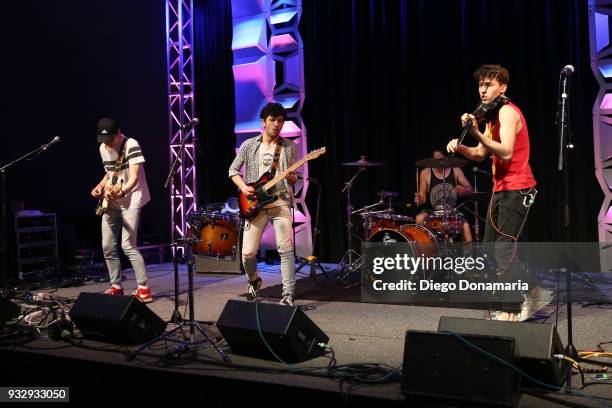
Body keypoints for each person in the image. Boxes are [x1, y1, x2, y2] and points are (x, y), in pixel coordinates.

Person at [447, 64, 544, 321]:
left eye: (489, 84)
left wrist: (476, 131)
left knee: (504, 250)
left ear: (502, 87)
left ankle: (510, 309)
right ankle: (534, 289)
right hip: (500, 188)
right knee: (492, 248)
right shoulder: (490, 117)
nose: (483, 89)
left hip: (519, 187)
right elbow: (481, 153)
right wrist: (462, 149)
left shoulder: (508, 113)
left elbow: (507, 151)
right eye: (481, 85)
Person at [228, 103, 298, 306]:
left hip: (280, 202)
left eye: (280, 121)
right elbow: (233, 170)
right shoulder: (249, 145)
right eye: (273, 120)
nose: (277, 125)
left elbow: (291, 178)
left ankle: (288, 294)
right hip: (255, 203)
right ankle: (254, 280)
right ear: (263, 122)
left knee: (285, 249)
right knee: (248, 253)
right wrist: (243, 187)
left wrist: (292, 179)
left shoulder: (289, 147)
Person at [90, 117, 152, 302]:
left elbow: (134, 176)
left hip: (132, 199)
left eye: (110, 139)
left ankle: (144, 289)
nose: (107, 144)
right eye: (104, 141)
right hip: (111, 201)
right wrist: (100, 186)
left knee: (127, 245)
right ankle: (116, 286)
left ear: (118, 133)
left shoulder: (131, 144)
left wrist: (122, 191)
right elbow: (110, 173)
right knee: (107, 245)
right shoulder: (103, 148)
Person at [414, 149, 473, 242]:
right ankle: (424, 253)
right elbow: (423, 196)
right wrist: (419, 198)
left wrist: (464, 190)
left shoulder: (456, 170)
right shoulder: (425, 172)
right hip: (432, 212)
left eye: (440, 160)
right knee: (419, 218)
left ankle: (468, 255)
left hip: (452, 211)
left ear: (446, 159)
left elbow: (470, 189)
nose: (438, 163)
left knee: (466, 227)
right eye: (435, 160)